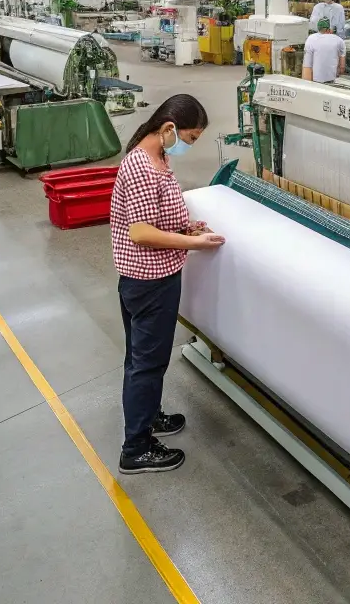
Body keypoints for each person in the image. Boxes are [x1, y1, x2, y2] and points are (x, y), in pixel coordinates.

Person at [110, 95, 225, 475]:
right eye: (190, 138)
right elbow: (141, 232)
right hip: (150, 281)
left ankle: (149, 416)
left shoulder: (159, 158)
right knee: (147, 363)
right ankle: (136, 448)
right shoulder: (143, 166)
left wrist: (184, 227)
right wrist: (195, 243)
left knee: (142, 360)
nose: (190, 146)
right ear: (168, 128)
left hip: (147, 279)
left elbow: (153, 218)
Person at [303, 17, 346, 83]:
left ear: (318, 28)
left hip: (316, 81)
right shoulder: (339, 40)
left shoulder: (311, 39)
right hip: (333, 81)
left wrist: (307, 85)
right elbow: (342, 66)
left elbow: (307, 66)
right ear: (329, 29)